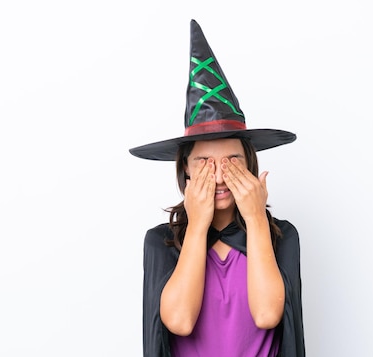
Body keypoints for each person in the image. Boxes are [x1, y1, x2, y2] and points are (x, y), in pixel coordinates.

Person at [129, 20, 305, 357]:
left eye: (233, 160)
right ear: (185, 168)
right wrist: (196, 226)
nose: (221, 176)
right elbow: (179, 321)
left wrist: (255, 221)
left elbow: (268, 315)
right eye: (205, 162)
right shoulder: (161, 243)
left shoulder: (282, 236)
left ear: (250, 164)